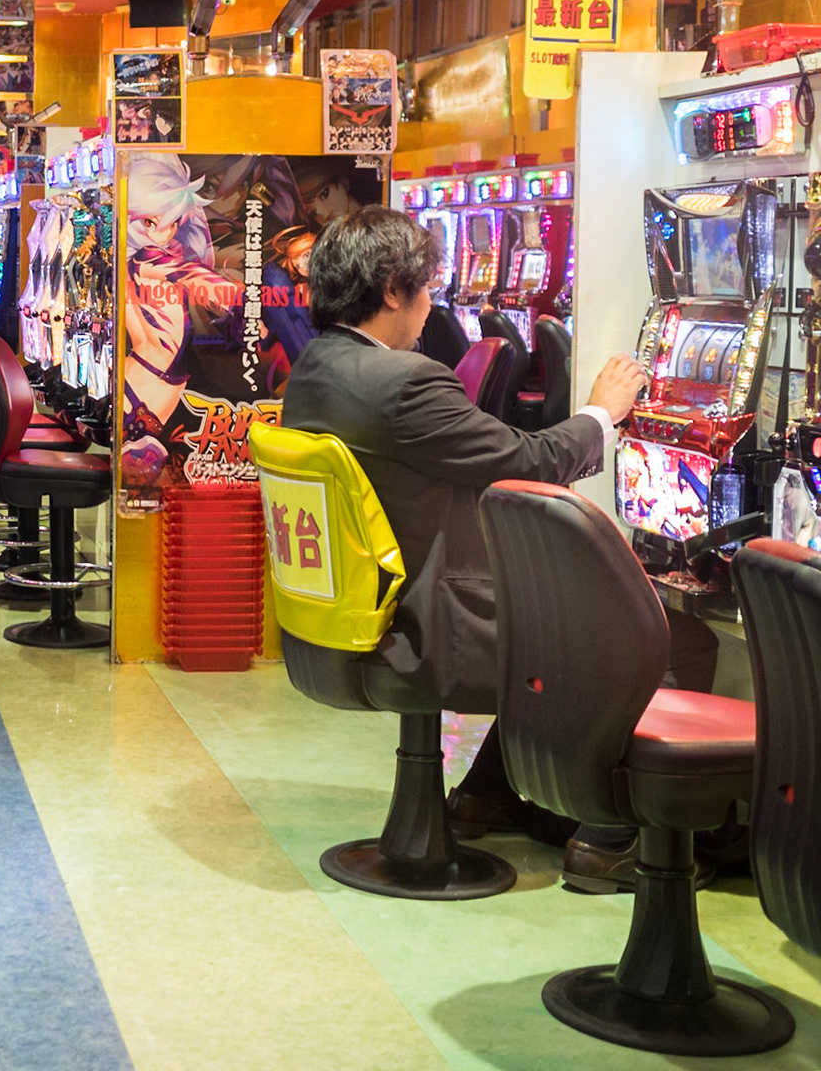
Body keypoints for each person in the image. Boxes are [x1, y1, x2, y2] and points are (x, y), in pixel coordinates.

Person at [280, 207, 719, 893]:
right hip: (426, 630)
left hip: (347, 615)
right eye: (425, 287)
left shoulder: (317, 368)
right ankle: (610, 838)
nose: (431, 305)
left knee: (578, 612)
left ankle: (491, 796)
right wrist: (603, 412)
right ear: (393, 288)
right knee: (675, 635)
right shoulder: (404, 381)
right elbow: (528, 463)